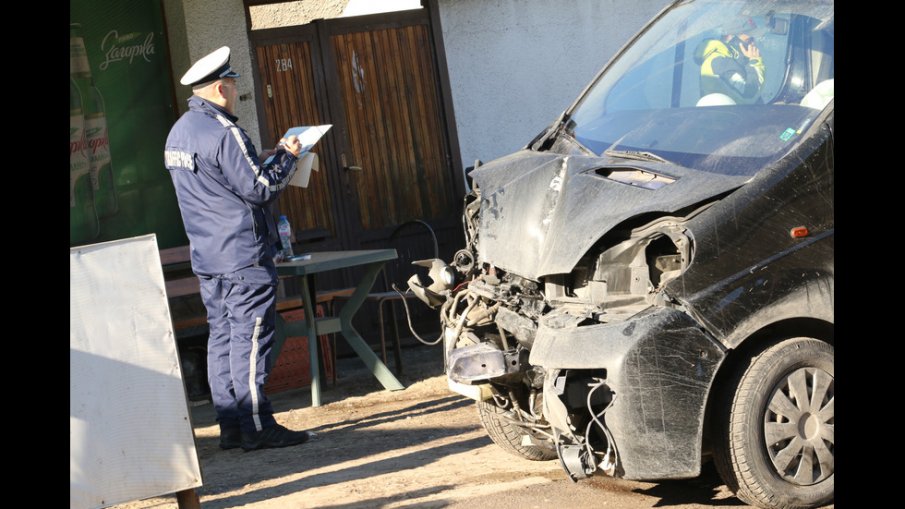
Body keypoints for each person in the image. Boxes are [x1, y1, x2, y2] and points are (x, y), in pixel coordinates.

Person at [165, 46, 312, 451]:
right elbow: (260, 189)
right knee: (250, 339)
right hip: (242, 255)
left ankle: (231, 427)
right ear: (220, 88)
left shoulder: (179, 132)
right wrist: (287, 157)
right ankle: (258, 426)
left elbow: (216, 182)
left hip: (207, 255)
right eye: (232, 84)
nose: (235, 91)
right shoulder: (224, 131)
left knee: (223, 338)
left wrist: (259, 160)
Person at [695, 19, 766, 105]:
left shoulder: (729, 58)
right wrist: (755, 62)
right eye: (748, 40)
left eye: (753, 39)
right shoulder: (719, 61)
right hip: (731, 113)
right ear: (729, 38)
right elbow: (749, 95)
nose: (753, 44)